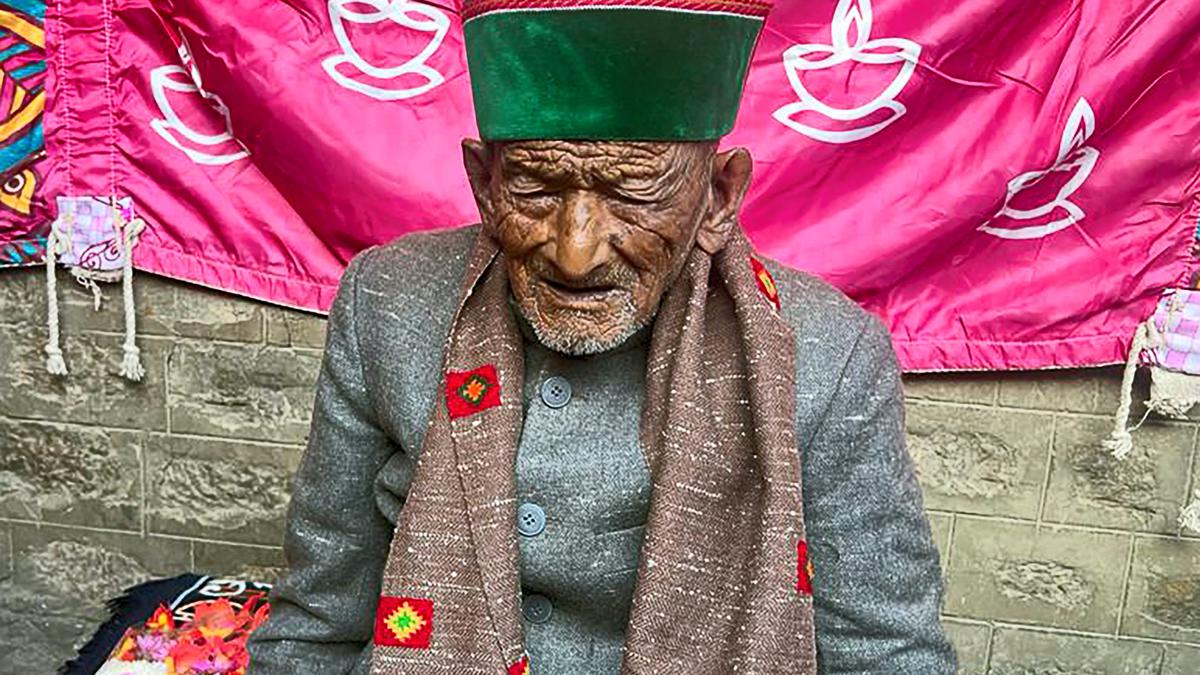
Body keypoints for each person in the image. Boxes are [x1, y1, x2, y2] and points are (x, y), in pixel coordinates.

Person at [248, 0, 955, 672]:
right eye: (536, 189)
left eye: (633, 193)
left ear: (718, 198)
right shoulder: (387, 301)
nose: (575, 251)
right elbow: (318, 615)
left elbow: (886, 652)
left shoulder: (828, 354)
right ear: (484, 184)